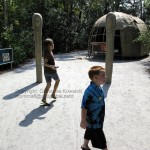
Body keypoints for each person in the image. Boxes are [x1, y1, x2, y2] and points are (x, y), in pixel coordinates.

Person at [80, 66, 108, 150]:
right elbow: (84, 107)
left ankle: (85, 145)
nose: (105, 77)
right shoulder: (89, 91)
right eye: (103, 75)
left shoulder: (98, 87)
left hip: (98, 117)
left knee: (89, 130)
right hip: (94, 120)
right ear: (95, 77)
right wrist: (83, 120)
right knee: (100, 138)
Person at [41, 38, 60, 105]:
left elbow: (47, 63)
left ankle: (44, 98)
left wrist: (53, 65)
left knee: (48, 84)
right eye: (52, 43)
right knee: (58, 80)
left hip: (46, 72)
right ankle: (53, 94)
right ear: (49, 45)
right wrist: (52, 66)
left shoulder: (49, 52)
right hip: (51, 71)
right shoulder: (48, 53)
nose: (53, 44)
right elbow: (44, 63)